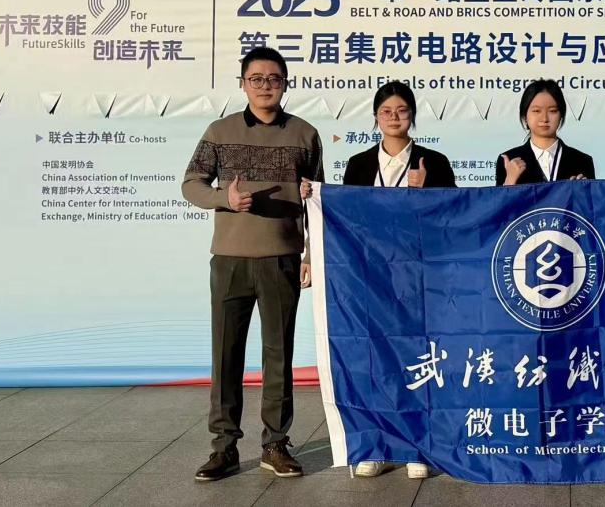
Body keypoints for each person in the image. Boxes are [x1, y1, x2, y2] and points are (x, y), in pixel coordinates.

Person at [302, 80, 454, 480]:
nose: (394, 117)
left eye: (402, 110)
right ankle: (377, 445)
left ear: (412, 116)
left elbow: (449, 218)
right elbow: (343, 216)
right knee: (375, 359)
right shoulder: (359, 164)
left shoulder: (434, 162)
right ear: (375, 117)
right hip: (369, 278)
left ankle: (419, 447)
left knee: (416, 358)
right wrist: (313, 199)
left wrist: (423, 193)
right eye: (386, 111)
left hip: (417, 277)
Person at [183, 47, 322, 482]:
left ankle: (275, 444)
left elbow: (316, 199)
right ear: (243, 84)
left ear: (285, 84)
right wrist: (224, 198)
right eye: (256, 79)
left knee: (279, 354)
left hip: (282, 259)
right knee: (226, 354)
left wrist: (310, 254)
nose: (265, 86)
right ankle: (223, 447)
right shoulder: (219, 131)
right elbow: (191, 184)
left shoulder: (305, 134)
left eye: (274, 79)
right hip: (230, 261)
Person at [495, 79, 594, 185]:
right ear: (525, 116)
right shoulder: (510, 160)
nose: (544, 118)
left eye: (552, 111)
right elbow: (500, 196)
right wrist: (510, 181)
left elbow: (592, 196)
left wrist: (583, 190)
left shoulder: (582, 161)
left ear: (561, 115)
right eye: (536, 111)